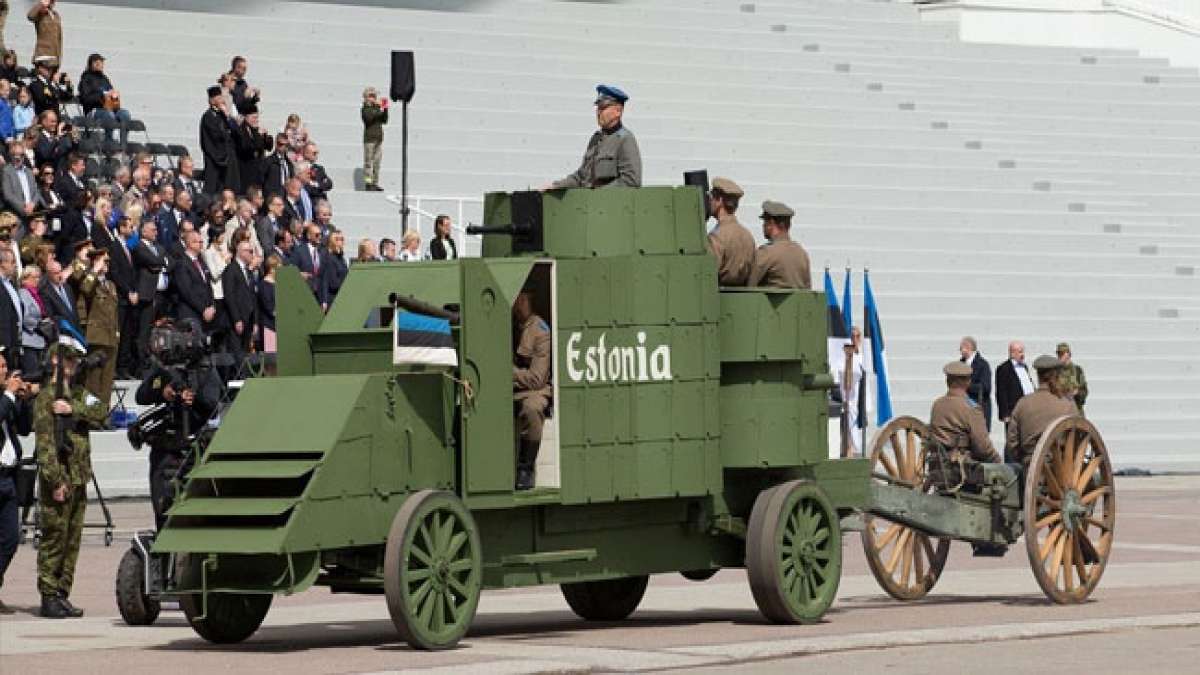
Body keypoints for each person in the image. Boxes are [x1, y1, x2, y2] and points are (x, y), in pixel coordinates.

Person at [33, 341, 108, 618]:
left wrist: (72, 410)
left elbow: (101, 412)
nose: (75, 365)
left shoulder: (77, 394)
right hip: (60, 480)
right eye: (70, 360)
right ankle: (49, 594)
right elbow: (45, 446)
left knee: (72, 539)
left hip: (78, 478)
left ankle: (63, 592)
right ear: (56, 361)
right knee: (54, 537)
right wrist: (55, 482)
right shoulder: (45, 398)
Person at [135, 340, 221, 530]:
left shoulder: (205, 370)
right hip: (165, 449)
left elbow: (213, 407)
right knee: (162, 506)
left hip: (193, 449)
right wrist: (162, 392)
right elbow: (141, 395)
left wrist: (194, 398)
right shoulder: (165, 369)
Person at [547, 84, 641, 190]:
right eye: (598, 108)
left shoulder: (625, 139)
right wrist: (556, 185)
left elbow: (631, 181)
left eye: (603, 108)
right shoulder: (596, 139)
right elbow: (581, 177)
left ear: (618, 111)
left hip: (609, 204)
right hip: (589, 203)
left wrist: (598, 194)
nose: (598, 112)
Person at [0, 349, 33, 615]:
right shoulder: (3, 400)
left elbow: (23, 428)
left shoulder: (7, 400)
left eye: (5, 367)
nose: (4, 371)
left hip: (8, 477)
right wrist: (10, 396)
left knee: (10, 538)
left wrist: (25, 401)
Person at [1005, 355, 1079, 468]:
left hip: (1030, 467)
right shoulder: (1067, 405)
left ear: (1038, 376)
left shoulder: (1023, 403)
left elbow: (1012, 442)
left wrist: (1024, 459)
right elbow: (1078, 439)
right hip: (1061, 471)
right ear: (1057, 376)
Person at [512, 284, 551, 490]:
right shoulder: (509, 325)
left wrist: (510, 373)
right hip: (508, 390)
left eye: (521, 298)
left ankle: (525, 468)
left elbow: (537, 379)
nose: (518, 303)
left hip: (534, 391)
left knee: (532, 409)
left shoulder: (540, 330)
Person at [79, 248, 117, 408]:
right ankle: (92, 414)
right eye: (104, 261)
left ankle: (104, 413)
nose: (106, 264)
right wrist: (94, 269)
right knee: (94, 378)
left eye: (107, 261)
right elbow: (85, 289)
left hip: (111, 335)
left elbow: (114, 312)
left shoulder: (109, 284)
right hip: (96, 335)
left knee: (107, 378)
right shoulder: (89, 280)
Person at [748, 200, 811, 289]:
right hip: (797, 303)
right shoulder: (802, 253)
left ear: (771, 223)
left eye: (765, 222)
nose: (763, 226)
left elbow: (749, 286)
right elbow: (807, 290)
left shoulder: (766, 252)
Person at [705, 177, 754, 286]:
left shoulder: (717, 236)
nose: (710, 202)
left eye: (712, 198)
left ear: (720, 201)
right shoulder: (747, 235)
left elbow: (708, 273)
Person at [131, 220, 168, 364]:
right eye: (153, 230)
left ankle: (153, 357)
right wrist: (160, 262)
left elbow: (169, 262)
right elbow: (155, 260)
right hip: (146, 294)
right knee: (144, 329)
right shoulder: (139, 247)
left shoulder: (158, 247)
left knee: (156, 327)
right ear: (144, 232)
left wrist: (160, 263)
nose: (156, 232)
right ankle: (141, 361)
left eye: (156, 230)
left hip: (160, 294)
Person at [108, 216, 137, 379]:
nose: (132, 230)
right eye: (130, 227)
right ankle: (115, 368)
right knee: (119, 333)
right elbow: (115, 273)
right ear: (122, 228)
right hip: (121, 297)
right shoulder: (114, 247)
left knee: (127, 333)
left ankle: (123, 367)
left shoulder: (128, 247)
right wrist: (128, 292)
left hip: (130, 298)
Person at [77, 53, 130, 142]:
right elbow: (85, 99)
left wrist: (114, 96)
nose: (99, 64)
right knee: (109, 115)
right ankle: (108, 142)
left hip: (109, 108)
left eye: (101, 62)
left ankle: (123, 144)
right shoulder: (86, 79)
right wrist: (101, 96)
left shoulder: (104, 79)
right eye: (96, 63)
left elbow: (110, 93)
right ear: (90, 64)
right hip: (93, 111)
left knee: (125, 114)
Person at [221, 239, 256, 363]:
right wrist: (236, 319)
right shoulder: (230, 270)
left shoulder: (248, 272)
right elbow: (229, 296)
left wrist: (255, 321)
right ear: (241, 252)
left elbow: (253, 296)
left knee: (246, 353)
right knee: (237, 355)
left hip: (248, 319)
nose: (253, 254)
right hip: (236, 320)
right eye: (250, 251)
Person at [199, 85, 237, 195]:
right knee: (212, 190)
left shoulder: (223, 115)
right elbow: (217, 136)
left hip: (226, 160)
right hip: (214, 159)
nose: (221, 100)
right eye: (218, 97)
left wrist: (227, 115)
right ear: (212, 100)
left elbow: (234, 130)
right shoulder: (208, 117)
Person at [995, 340, 1035, 432]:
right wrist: (1005, 414)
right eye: (1020, 352)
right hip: (1013, 411)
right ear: (1012, 353)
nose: (1023, 354)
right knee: (1013, 439)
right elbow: (1001, 392)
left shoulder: (1024, 367)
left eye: (1023, 351)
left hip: (1028, 409)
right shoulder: (1003, 368)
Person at [234, 102, 272, 194]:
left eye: (257, 117)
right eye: (253, 118)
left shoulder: (255, 130)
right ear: (246, 118)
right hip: (245, 172)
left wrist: (266, 136)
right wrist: (258, 136)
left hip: (257, 173)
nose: (256, 120)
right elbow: (247, 147)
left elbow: (269, 147)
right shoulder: (240, 131)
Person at [2, 139, 41, 225]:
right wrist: (24, 208)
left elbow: (36, 191)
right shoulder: (6, 171)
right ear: (10, 155)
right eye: (15, 155)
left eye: (21, 155)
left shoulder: (29, 172)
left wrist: (33, 204)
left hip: (32, 214)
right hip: (15, 217)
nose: (18, 158)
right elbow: (8, 195)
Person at [958, 336, 993, 432]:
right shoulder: (960, 364)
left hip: (978, 408)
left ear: (968, 348)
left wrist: (965, 386)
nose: (960, 351)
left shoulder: (983, 364)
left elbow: (986, 388)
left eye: (961, 348)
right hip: (962, 410)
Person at [17, 265, 45, 376]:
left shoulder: (37, 295)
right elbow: (25, 316)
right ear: (26, 278)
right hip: (29, 341)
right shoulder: (23, 293)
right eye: (35, 277)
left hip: (40, 341)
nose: (38, 280)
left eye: (39, 277)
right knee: (32, 375)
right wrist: (39, 325)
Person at [360, 87, 388, 191]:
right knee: (368, 163)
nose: (373, 98)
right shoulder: (365, 109)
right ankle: (368, 183)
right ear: (366, 97)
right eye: (371, 96)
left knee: (377, 163)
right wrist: (377, 106)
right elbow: (368, 118)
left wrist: (385, 109)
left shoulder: (376, 108)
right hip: (369, 139)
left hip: (378, 139)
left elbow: (384, 120)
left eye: (374, 96)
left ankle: (375, 182)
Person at [26, 0, 62, 68]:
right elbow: (30, 16)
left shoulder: (56, 15)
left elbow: (59, 38)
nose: (52, 3)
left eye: (53, 1)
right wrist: (41, 4)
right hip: (42, 53)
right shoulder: (40, 13)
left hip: (54, 55)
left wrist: (59, 58)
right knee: (44, 77)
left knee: (53, 77)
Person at [257, 254, 280, 355]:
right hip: (269, 327)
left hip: (278, 326)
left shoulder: (278, 284)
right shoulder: (264, 285)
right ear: (272, 269)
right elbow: (269, 307)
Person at [318, 230, 347, 307]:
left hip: (341, 297)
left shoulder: (341, 259)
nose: (340, 242)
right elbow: (333, 283)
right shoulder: (330, 259)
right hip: (333, 300)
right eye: (337, 239)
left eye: (342, 239)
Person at [1057, 342, 1088, 414]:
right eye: (1060, 354)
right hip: (1061, 410)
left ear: (1069, 354)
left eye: (1064, 353)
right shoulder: (1055, 372)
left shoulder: (1077, 370)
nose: (1062, 356)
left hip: (1076, 409)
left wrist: (1076, 393)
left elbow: (1084, 391)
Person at [0, 249, 20, 360]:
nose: (15, 265)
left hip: (12, 340)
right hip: (2, 342)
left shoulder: (10, 283)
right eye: (12, 262)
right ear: (2, 263)